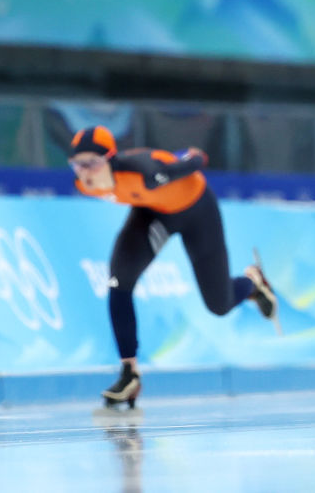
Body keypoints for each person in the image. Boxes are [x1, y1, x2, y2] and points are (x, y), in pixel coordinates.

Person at [68, 125, 279, 408]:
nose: (85, 172)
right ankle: (129, 372)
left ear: (110, 158)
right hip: (154, 213)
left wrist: (191, 156)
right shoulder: (84, 185)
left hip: (197, 211)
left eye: (91, 163)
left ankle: (252, 282)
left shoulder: (145, 171)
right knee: (119, 282)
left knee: (218, 304)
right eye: (77, 165)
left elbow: (194, 161)